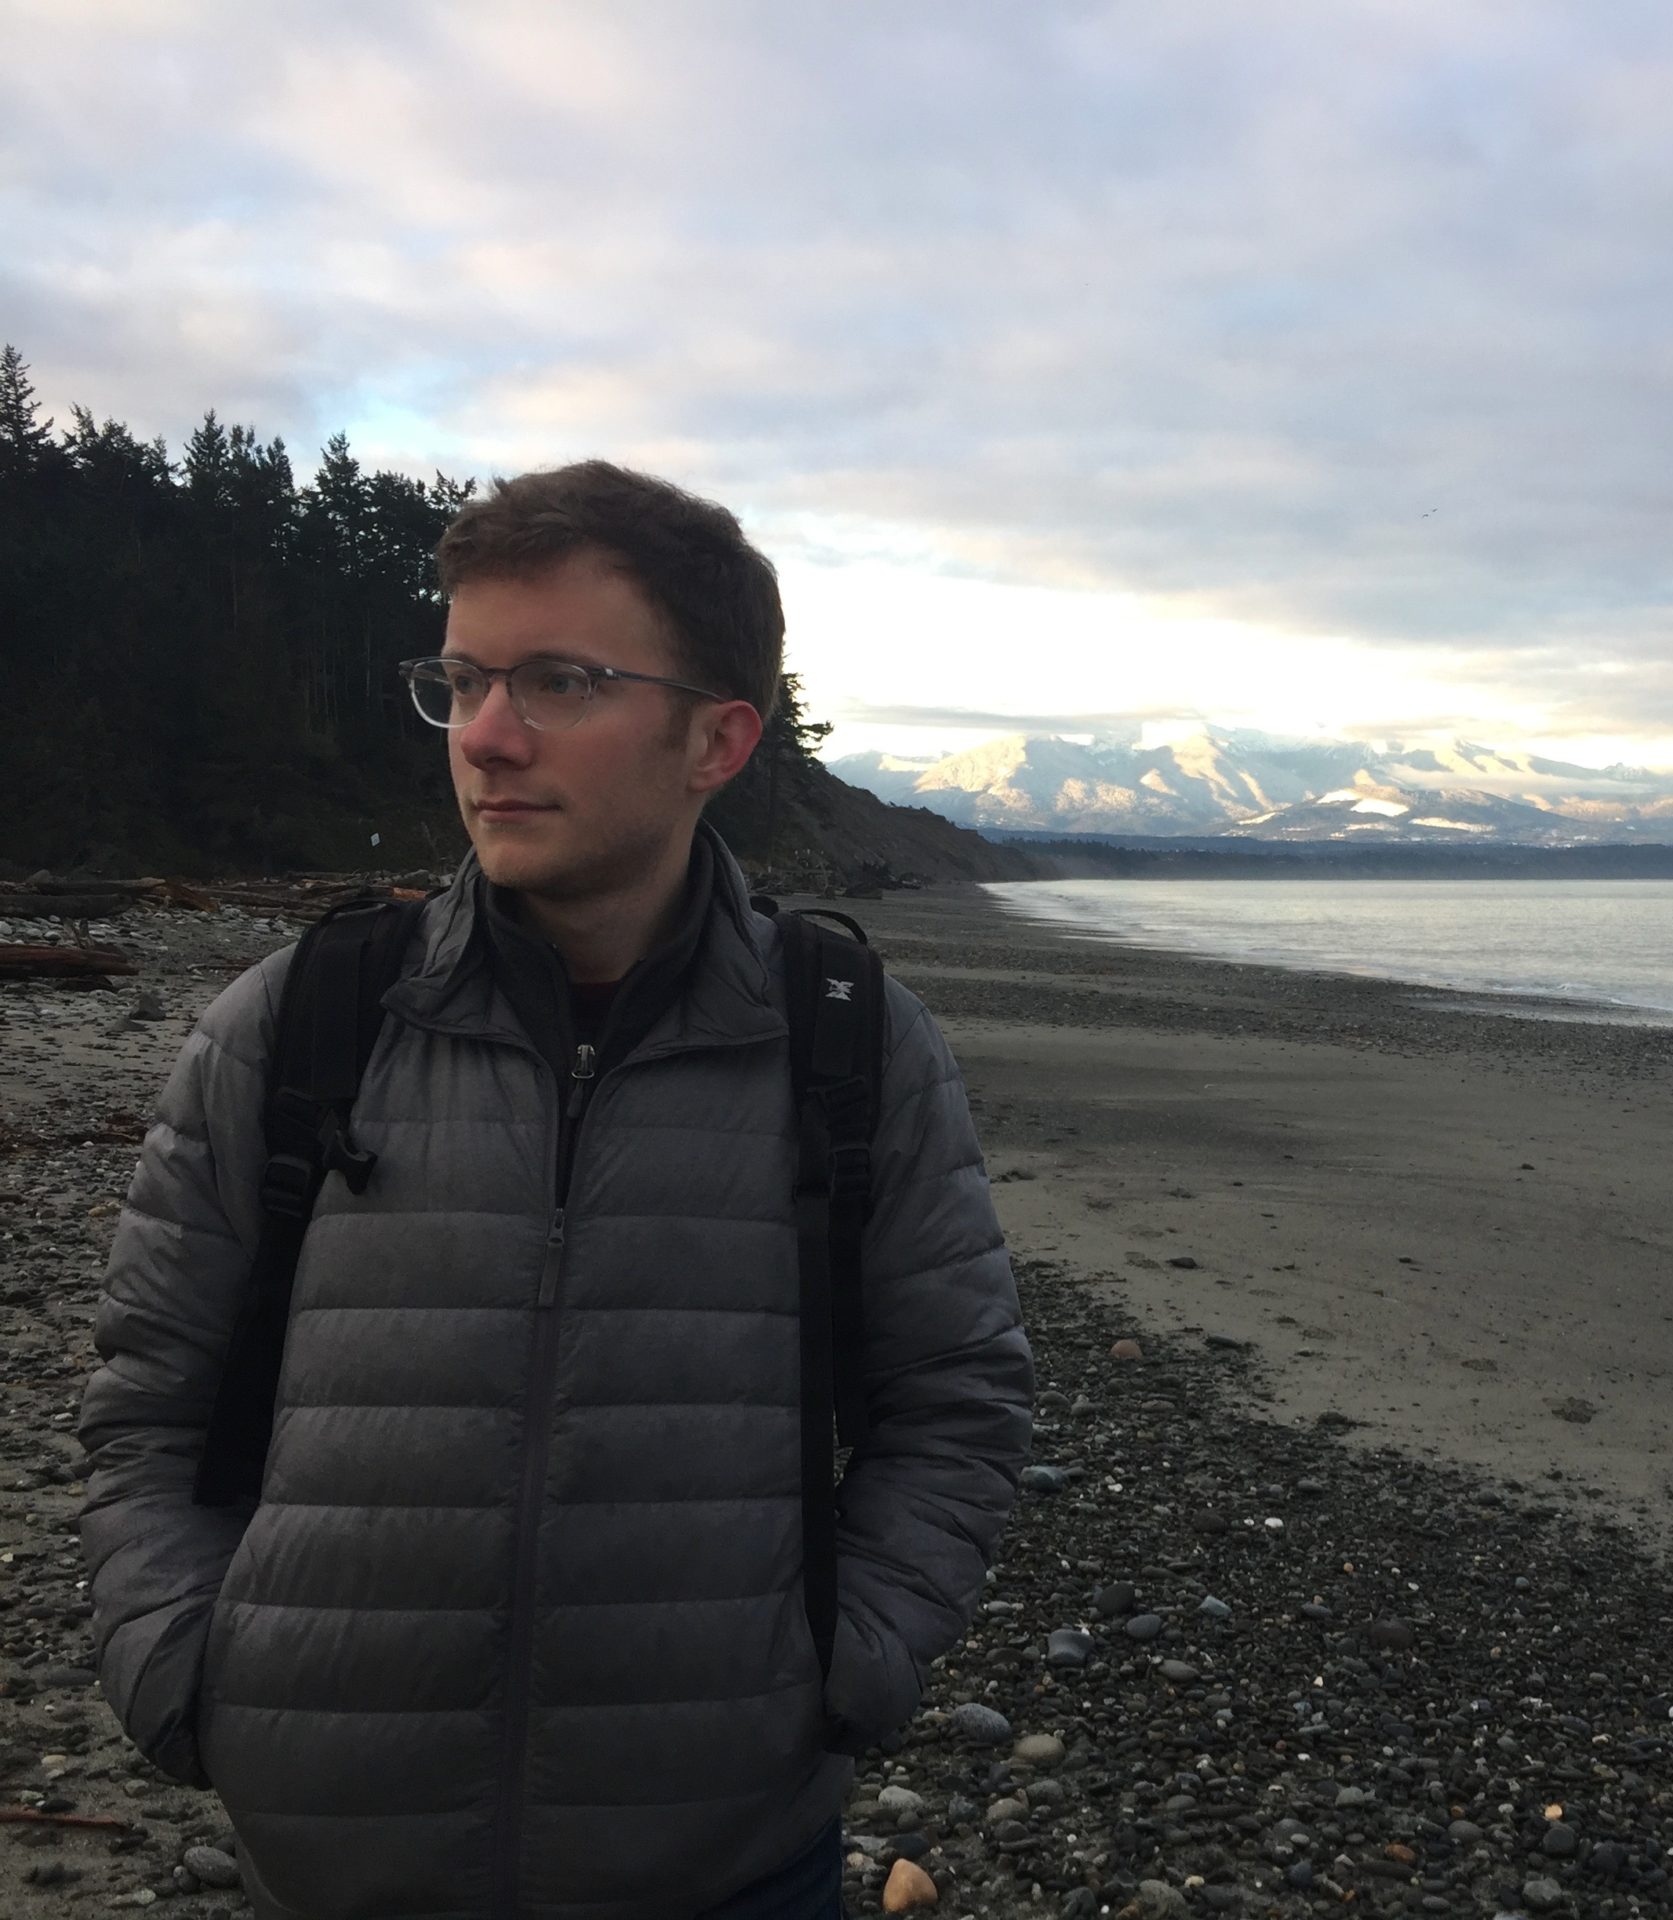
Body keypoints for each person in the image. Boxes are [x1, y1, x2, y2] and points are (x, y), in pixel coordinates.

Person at [77, 462, 1034, 1918]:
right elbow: (145, 1398)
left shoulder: (847, 1041)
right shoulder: (300, 1025)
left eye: (559, 683)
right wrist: (187, 1670)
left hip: (725, 1859)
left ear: (717, 738)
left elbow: (956, 1400)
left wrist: (851, 1661)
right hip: (331, 1853)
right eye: (460, 682)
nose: (485, 737)